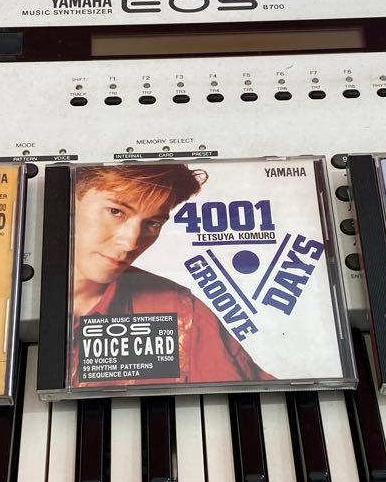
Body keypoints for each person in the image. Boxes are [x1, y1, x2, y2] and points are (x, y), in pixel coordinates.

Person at [70, 162, 274, 387]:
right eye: (115, 212)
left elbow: (258, 395)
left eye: (153, 223)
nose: (131, 242)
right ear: (69, 202)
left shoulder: (176, 312)